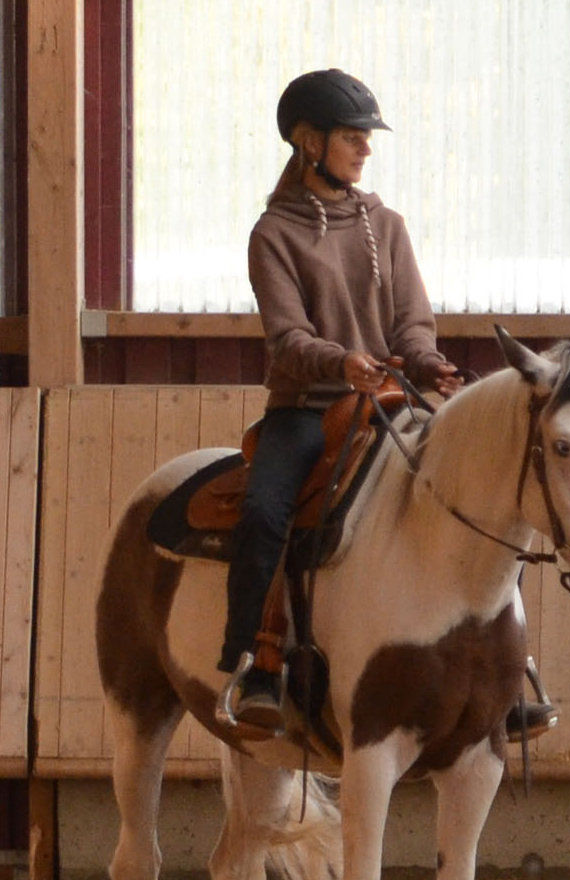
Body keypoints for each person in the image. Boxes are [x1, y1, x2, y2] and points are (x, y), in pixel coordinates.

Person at [219, 68, 462, 728]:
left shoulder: (389, 225)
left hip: (390, 401)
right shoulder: (273, 234)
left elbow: (412, 323)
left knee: (479, 489)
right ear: (309, 142)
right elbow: (288, 337)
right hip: (307, 409)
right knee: (264, 513)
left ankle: (505, 672)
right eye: (353, 136)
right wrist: (340, 360)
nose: (366, 148)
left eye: (366, 136)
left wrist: (429, 362)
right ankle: (253, 662)